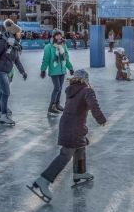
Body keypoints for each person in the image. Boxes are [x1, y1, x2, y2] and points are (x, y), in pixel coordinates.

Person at [27, 69, 107, 203]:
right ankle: (43, 180)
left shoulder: (71, 90)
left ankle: (80, 172)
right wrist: (101, 119)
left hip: (68, 125)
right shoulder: (87, 91)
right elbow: (94, 106)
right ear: (86, 80)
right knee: (66, 154)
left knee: (80, 145)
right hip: (74, 127)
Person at [41, 29, 74, 116]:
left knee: (59, 88)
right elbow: (46, 59)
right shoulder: (49, 47)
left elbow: (66, 58)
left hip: (62, 70)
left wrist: (70, 68)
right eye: (57, 35)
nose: (59, 37)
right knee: (57, 88)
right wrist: (43, 70)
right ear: (54, 37)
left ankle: (57, 104)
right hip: (54, 71)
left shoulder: (63, 45)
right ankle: (51, 107)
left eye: (60, 35)